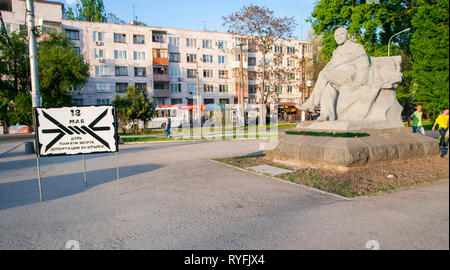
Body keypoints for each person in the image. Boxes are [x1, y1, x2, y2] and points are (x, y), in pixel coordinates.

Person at [296, 28, 370, 120]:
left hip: (349, 76)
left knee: (324, 74)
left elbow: (364, 64)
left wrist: (360, 81)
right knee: (328, 87)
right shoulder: (336, 51)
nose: (339, 37)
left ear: (348, 35)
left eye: (341, 35)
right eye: (336, 36)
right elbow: (330, 65)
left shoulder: (356, 47)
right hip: (336, 77)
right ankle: (327, 115)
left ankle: (311, 103)